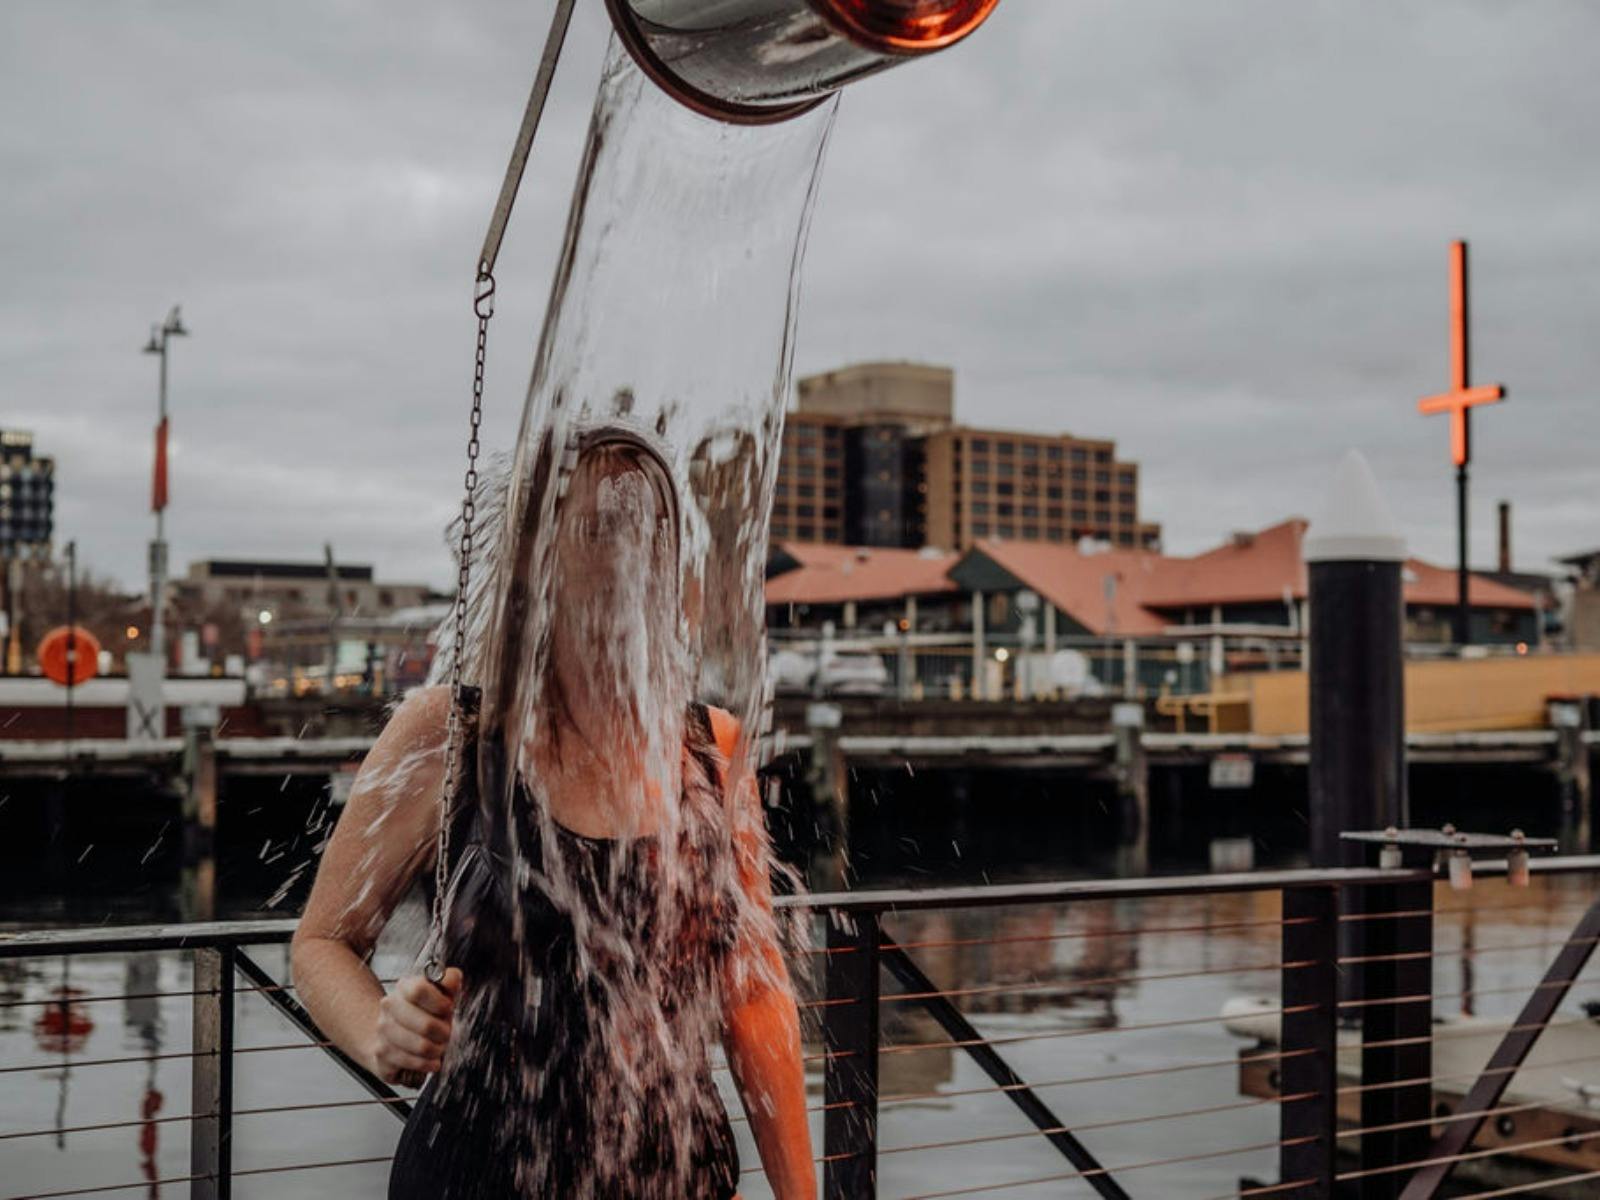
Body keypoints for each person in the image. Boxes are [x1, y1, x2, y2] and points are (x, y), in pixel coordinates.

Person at [292, 426, 815, 1198]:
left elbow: (754, 993)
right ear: (534, 554)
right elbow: (323, 941)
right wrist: (380, 1031)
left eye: (646, 526)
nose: (625, 551)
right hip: (483, 1178)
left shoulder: (711, 747)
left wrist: (802, 1195)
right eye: (598, 525)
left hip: (680, 1180)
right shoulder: (452, 733)